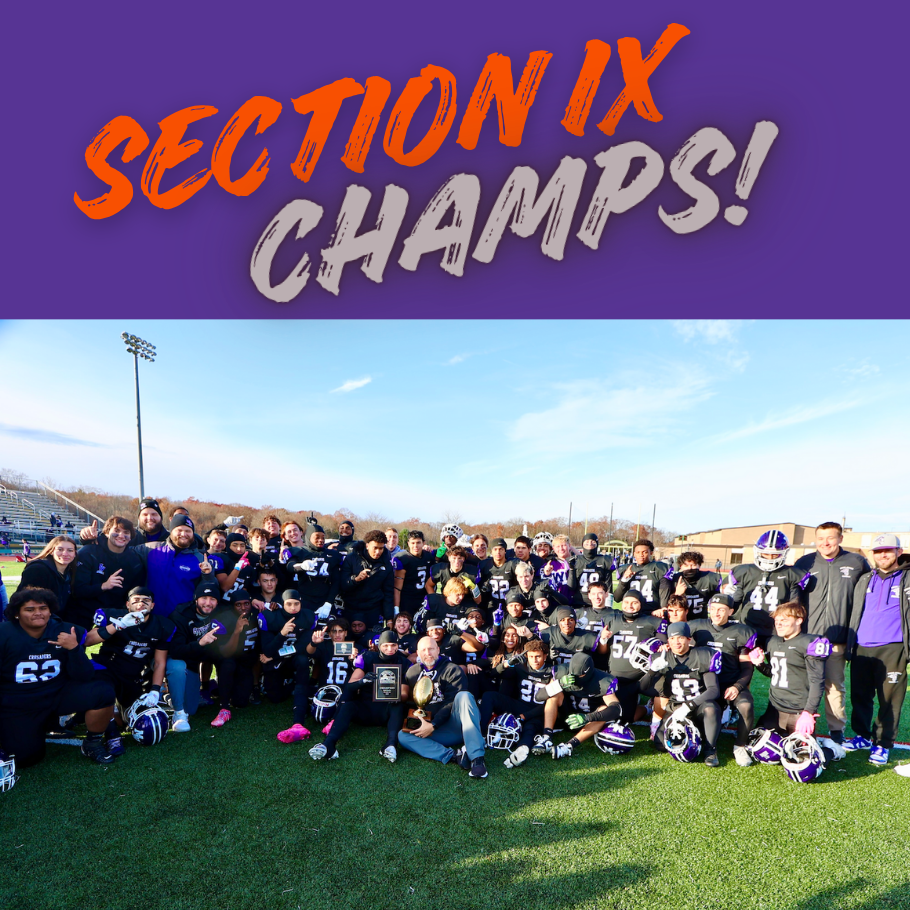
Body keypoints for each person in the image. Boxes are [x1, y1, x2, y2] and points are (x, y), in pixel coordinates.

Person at [0, 588, 117, 766]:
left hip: (56, 694)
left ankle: (92, 743)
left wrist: (74, 649)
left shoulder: (65, 630)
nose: (38, 613)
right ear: (17, 613)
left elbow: (84, 675)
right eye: (29, 609)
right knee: (26, 758)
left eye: (43, 608)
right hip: (19, 703)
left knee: (103, 692)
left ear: (50, 610)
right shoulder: (4, 634)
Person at [793, 522, 870, 744]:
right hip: (807, 638)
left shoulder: (856, 562)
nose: (825, 543)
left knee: (834, 687)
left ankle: (836, 732)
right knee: (803, 685)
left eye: (830, 538)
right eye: (821, 538)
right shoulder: (804, 563)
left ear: (840, 539)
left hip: (837, 639)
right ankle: (801, 728)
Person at [85, 586, 175, 754]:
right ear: (127, 604)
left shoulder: (163, 626)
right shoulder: (113, 616)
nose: (141, 604)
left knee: (126, 720)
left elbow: (159, 662)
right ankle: (112, 735)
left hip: (132, 674)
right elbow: (87, 641)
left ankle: (113, 715)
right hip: (106, 668)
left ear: (153, 605)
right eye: (136, 601)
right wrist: (117, 626)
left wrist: (156, 690)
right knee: (105, 695)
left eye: (146, 601)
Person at [845, 534, 909, 765]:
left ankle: (883, 744)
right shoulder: (865, 579)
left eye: (888, 550)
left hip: (893, 648)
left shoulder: (908, 578)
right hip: (862, 646)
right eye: (878, 551)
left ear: (899, 552)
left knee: (889, 700)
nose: (882, 555)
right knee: (860, 696)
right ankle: (861, 736)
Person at [308, 630, 412, 762]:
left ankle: (391, 745)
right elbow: (350, 686)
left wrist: (393, 692)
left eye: (393, 645)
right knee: (348, 705)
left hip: (386, 711)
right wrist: (363, 681)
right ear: (379, 645)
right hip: (365, 708)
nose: (390, 649)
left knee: (398, 706)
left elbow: (404, 694)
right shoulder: (367, 657)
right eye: (386, 645)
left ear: (398, 645)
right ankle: (329, 744)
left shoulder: (404, 662)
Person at [397, 635, 488, 778]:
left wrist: (433, 724)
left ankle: (477, 759)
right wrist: (417, 722)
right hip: (435, 730)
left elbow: (451, 701)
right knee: (403, 736)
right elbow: (412, 703)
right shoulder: (412, 672)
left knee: (464, 696)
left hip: (457, 726)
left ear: (438, 650)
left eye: (431, 649)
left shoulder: (452, 670)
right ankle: (455, 756)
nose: (428, 653)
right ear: (418, 653)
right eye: (424, 650)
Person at [639, 621, 723, 767]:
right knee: (660, 744)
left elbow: (713, 690)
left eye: (680, 638)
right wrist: (652, 670)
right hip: (675, 708)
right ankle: (696, 733)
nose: (676, 642)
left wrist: (689, 705)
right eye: (672, 638)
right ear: (668, 640)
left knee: (711, 708)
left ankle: (710, 749)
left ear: (688, 639)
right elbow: (642, 687)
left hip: (698, 707)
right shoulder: (662, 657)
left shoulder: (703, 655)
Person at [689, 593, 759, 766]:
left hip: (730, 683)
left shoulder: (741, 631)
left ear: (731, 611)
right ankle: (709, 747)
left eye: (721, 609)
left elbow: (747, 668)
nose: (717, 613)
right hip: (704, 685)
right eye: (713, 609)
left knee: (746, 705)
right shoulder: (697, 627)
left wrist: (737, 686)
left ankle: (739, 746)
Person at [726, 530, 809, 649]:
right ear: (758, 551)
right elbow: (732, 602)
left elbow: (794, 606)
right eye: (765, 554)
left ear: (784, 553)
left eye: (775, 554)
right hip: (746, 627)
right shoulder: (742, 572)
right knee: (742, 665)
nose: (770, 558)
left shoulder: (793, 574)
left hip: (777, 630)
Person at [534, 651, 621, 759]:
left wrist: (588, 717)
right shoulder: (562, 671)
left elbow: (616, 709)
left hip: (589, 720)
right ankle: (546, 738)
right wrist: (559, 684)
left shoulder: (603, 680)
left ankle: (568, 746)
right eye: (573, 673)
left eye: (580, 675)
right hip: (566, 715)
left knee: (604, 709)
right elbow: (538, 696)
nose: (576, 678)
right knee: (554, 695)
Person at [166, 580, 224, 732]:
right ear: (196, 599)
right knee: (176, 666)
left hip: (196, 660)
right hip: (180, 660)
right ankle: (178, 713)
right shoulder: (180, 615)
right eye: (204, 598)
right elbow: (175, 651)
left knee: (192, 709)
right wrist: (200, 643)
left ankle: (168, 697)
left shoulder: (219, 613)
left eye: (212, 599)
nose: (208, 603)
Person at [68, 517, 146, 628]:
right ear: (106, 532)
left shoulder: (135, 560)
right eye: (117, 531)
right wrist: (104, 586)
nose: (121, 536)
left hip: (114, 611)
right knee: (76, 642)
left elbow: (133, 591)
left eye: (126, 533)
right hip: (82, 609)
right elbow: (77, 590)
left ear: (131, 537)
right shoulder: (88, 552)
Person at [340, 530, 396, 628]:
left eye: (381, 548)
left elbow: (388, 593)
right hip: (351, 608)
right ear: (367, 545)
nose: (378, 552)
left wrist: (389, 618)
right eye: (375, 548)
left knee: (372, 641)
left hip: (373, 610)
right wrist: (356, 579)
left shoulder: (386, 564)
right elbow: (342, 585)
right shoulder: (352, 558)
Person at [16, 535, 78, 615]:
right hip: (38, 620)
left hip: (58, 619)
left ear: (75, 554)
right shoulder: (37, 569)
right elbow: (27, 602)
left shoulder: (70, 572)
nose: (65, 554)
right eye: (60, 549)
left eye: (70, 550)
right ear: (51, 551)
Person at [658, 551, 722, 620]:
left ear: (699, 565)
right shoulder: (674, 580)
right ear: (680, 566)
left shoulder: (710, 578)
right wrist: (677, 594)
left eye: (693, 565)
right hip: (680, 621)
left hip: (700, 621)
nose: (690, 568)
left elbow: (718, 602)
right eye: (686, 565)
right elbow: (666, 605)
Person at [613, 539, 668, 613]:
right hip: (632, 613)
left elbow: (664, 592)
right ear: (634, 554)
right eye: (638, 552)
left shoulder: (659, 568)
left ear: (651, 553)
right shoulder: (626, 569)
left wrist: (662, 609)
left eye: (644, 552)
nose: (641, 555)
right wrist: (624, 579)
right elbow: (617, 598)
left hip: (652, 613)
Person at [395, 530, 436, 618]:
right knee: (405, 626)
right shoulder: (402, 558)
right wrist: (396, 608)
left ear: (423, 543)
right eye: (413, 543)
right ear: (408, 543)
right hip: (407, 599)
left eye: (418, 542)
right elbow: (397, 588)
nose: (415, 546)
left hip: (423, 598)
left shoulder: (429, 556)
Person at [572, 533, 615, 608]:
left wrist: (608, 605)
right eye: (587, 542)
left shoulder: (605, 560)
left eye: (593, 541)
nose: (590, 544)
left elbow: (608, 584)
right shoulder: (575, 560)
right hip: (579, 602)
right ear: (582, 544)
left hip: (597, 602)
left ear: (597, 544)